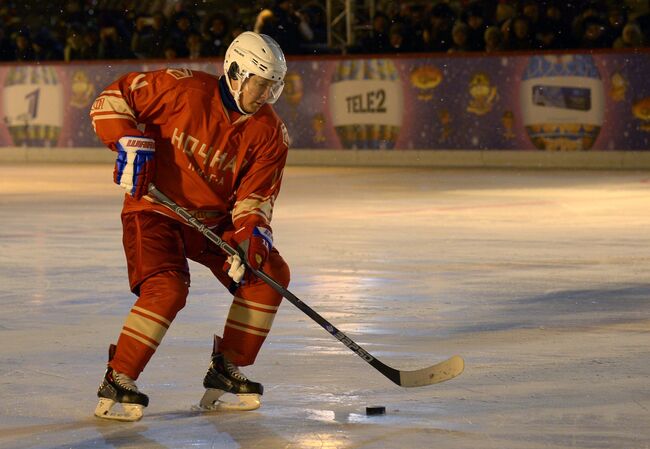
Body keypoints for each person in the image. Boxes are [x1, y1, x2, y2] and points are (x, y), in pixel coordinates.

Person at [89, 31, 291, 421]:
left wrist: (251, 236)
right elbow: (110, 100)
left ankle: (227, 368)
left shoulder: (270, 133)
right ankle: (119, 377)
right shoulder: (181, 88)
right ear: (235, 73)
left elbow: (256, 197)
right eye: (261, 85)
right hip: (154, 210)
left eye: (273, 87)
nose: (265, 96)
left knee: (269, 273)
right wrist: (127, 139)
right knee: (167, 289)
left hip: (211, 223)